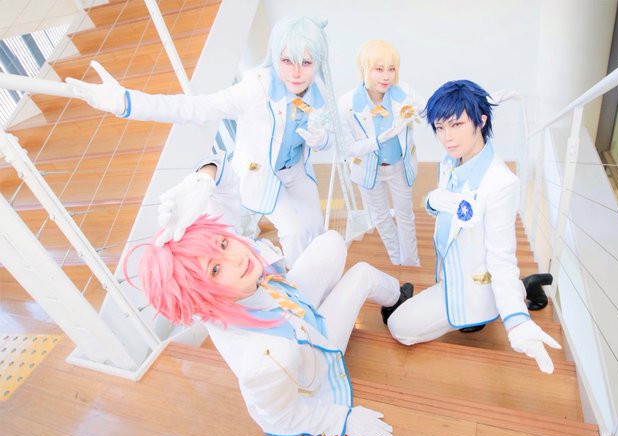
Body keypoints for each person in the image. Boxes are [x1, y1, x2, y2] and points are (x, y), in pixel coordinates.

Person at [67, 16, 341, 266]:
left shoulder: (317, 93)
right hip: (263, 175)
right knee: (294, 231)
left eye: (306, 63)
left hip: (296, 171)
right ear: (274, 56)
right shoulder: (255, 90)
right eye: (287, 61)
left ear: (317, 62)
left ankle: (323, 272)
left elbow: (328, 138)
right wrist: (126, 102)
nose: (296, 73)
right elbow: (196, 107)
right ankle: (302, 287)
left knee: (316, 226)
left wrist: (322, 140)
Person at [125, 214, 412, 436]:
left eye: (223, 243)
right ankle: (396, 302)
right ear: (200, 297)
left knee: (332, 242)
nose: (236, 258)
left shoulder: (241, 277)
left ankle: (335, 300)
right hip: (314, 347)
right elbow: (278, 417)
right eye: (215, 270)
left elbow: (239, 250)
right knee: (361, 274)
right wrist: (340, 420)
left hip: (290, 304)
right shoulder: (266, 358)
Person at [383, 80, 561, 374]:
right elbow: (446, 207)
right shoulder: (452, 159)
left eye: (457, 124)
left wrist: (516, 321)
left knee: (399, 327)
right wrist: (433, 200)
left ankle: (505, 299)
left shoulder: (501, 183)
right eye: (440, 127)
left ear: (481, 121)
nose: (447, 137)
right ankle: (525, 286)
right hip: (450, 273)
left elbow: (501, 258)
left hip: (474, 285)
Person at [338, 40, 424, 266]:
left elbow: (429, 110)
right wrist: (377, 141)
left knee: (405, 216)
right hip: (369, 171)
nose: (386, 76)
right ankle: (397, 260)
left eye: (391, 69)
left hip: (399, 167)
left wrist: (466, 103)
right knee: (381, 217)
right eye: (379, 69)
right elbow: (349, 148)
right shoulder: (346, 104)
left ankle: (411, 262)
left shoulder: (403, 92)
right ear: (364, 68)